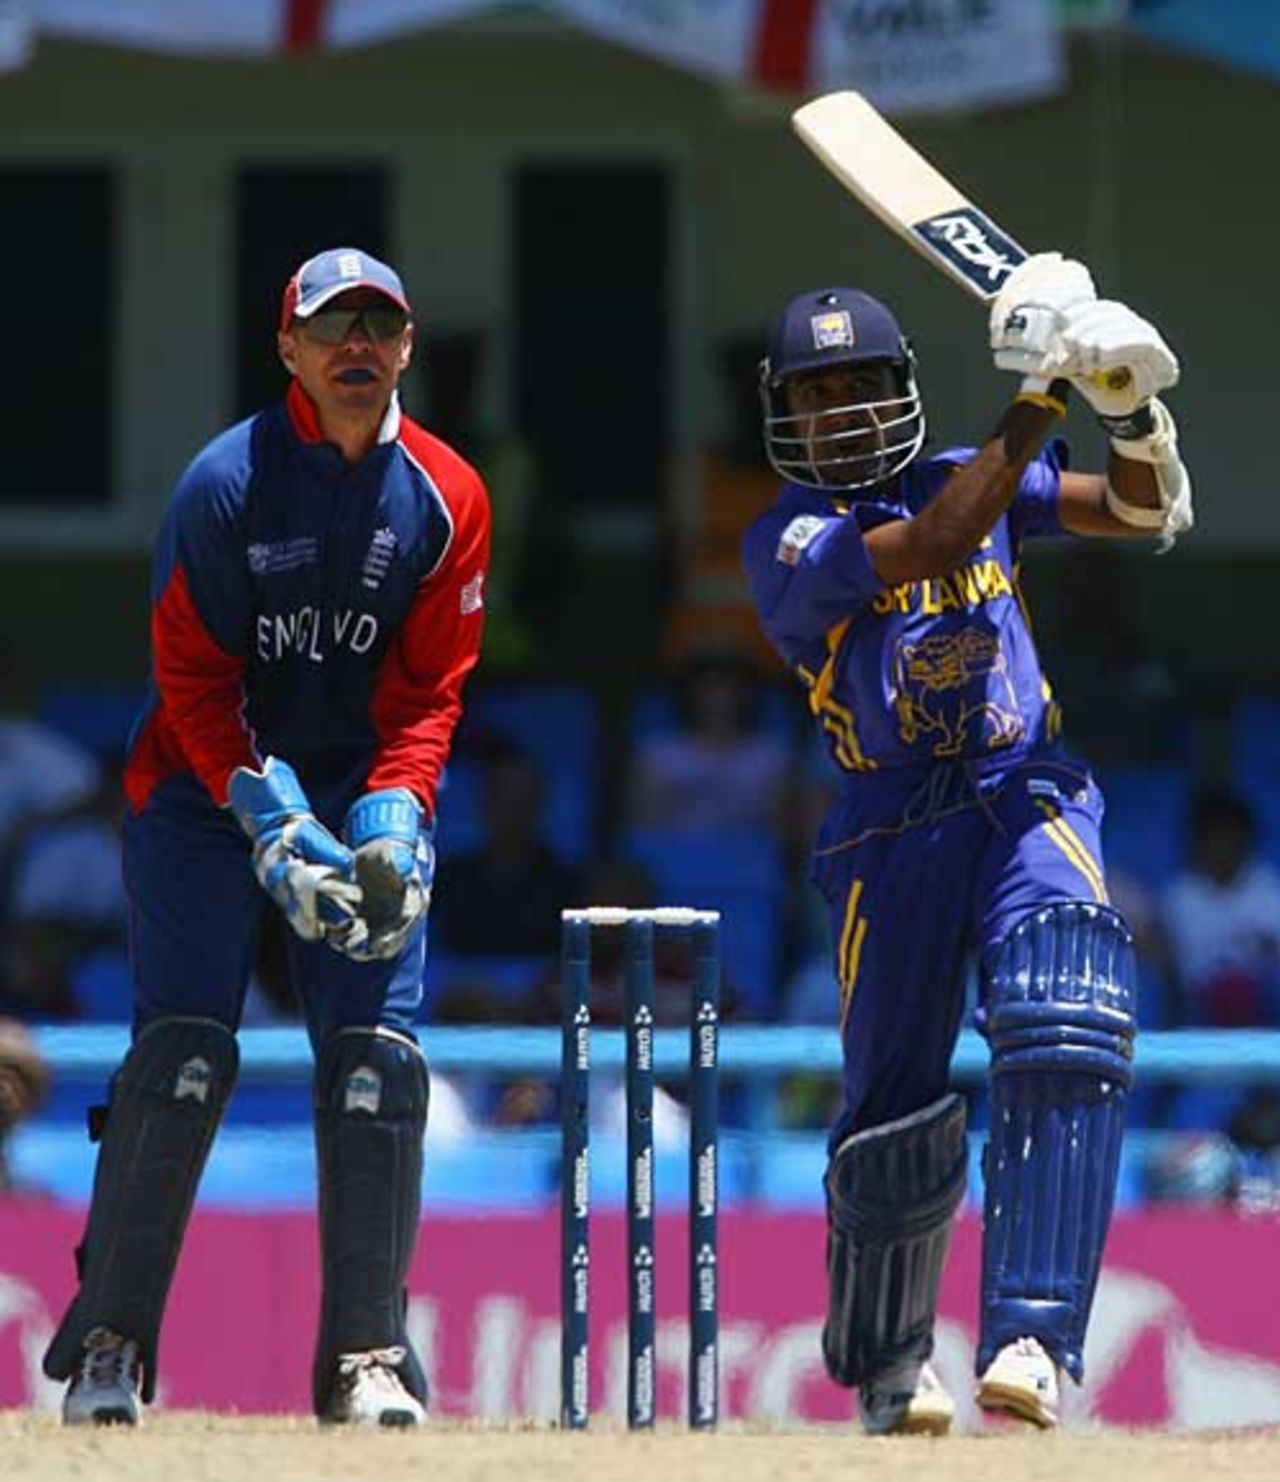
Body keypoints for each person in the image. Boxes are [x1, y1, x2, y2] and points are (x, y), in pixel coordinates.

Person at [41, 247, 490, 1428]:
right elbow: (191, 683)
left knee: (375, 1063)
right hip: (203, 792)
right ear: (286, 348)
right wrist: (269, 818)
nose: (356, 347)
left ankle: (365, 1359)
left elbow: (431, 692)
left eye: (377, 328)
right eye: (329, 327)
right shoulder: (223, 485)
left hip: (358, 786)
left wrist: (393, 817)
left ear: (405, 347)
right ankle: (112, 1348)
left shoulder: (448, 495)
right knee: (182, 1051)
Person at [741, 256, 1190, 1434]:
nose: (836, 412)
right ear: (781, 413)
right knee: (892, 1105)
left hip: (1018, 787)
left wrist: (1125, 400)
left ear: (899, 384)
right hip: (889, 828)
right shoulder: (785, 540)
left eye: (857, 385)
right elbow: (938, 543)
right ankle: (892, 1363)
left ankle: (1032, 1337)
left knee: (1064, 1006)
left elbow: (1141, 508)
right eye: (812, 395)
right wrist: (1041, 388)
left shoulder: (970, 470)